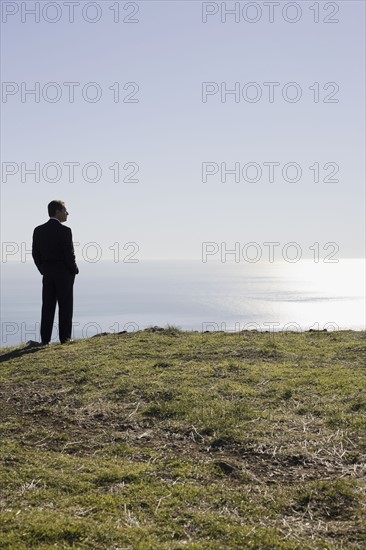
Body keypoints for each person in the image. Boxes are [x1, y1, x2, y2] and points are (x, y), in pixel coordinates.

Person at [32, 200, 79, 344]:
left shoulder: (38, 230)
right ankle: (65, 339)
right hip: (64, 273)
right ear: (57, 211)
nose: (67, 213)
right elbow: (69, 254)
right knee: (65, 306)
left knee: (47, 306)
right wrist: (74, 270)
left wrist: (43, 270)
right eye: (65, 210)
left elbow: (35, 254)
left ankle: (45, 340)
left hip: (48, 273)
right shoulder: (65, 231)